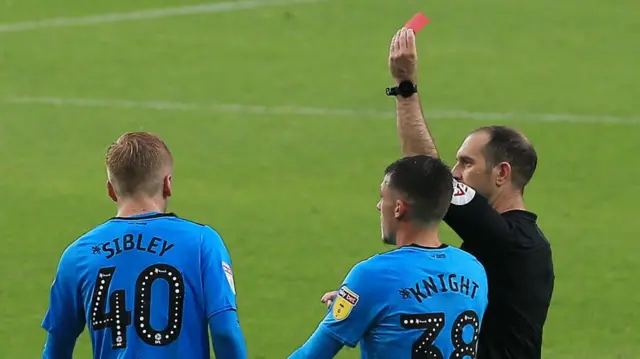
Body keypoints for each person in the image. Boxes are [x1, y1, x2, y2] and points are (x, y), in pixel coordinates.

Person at [384, 27, 555, 359]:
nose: (455, 173)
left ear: (502, 173)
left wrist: (406, 88)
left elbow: (426, 174)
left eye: (466, 163)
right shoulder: (508, 241)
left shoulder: (509, 242)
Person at [40, 132, 248, 359]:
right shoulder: (202, 243)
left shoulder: (79, 255)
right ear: (167, 184)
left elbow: (56, 350)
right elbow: (225, 332)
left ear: (111, 190)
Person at [289, 155, 489, 359]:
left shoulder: (372, 276)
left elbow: (311, 355)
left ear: (398, 209)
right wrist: (364, 303)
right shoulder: (474, 269)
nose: (378, 206)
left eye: (383, 197)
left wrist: (360, 298)